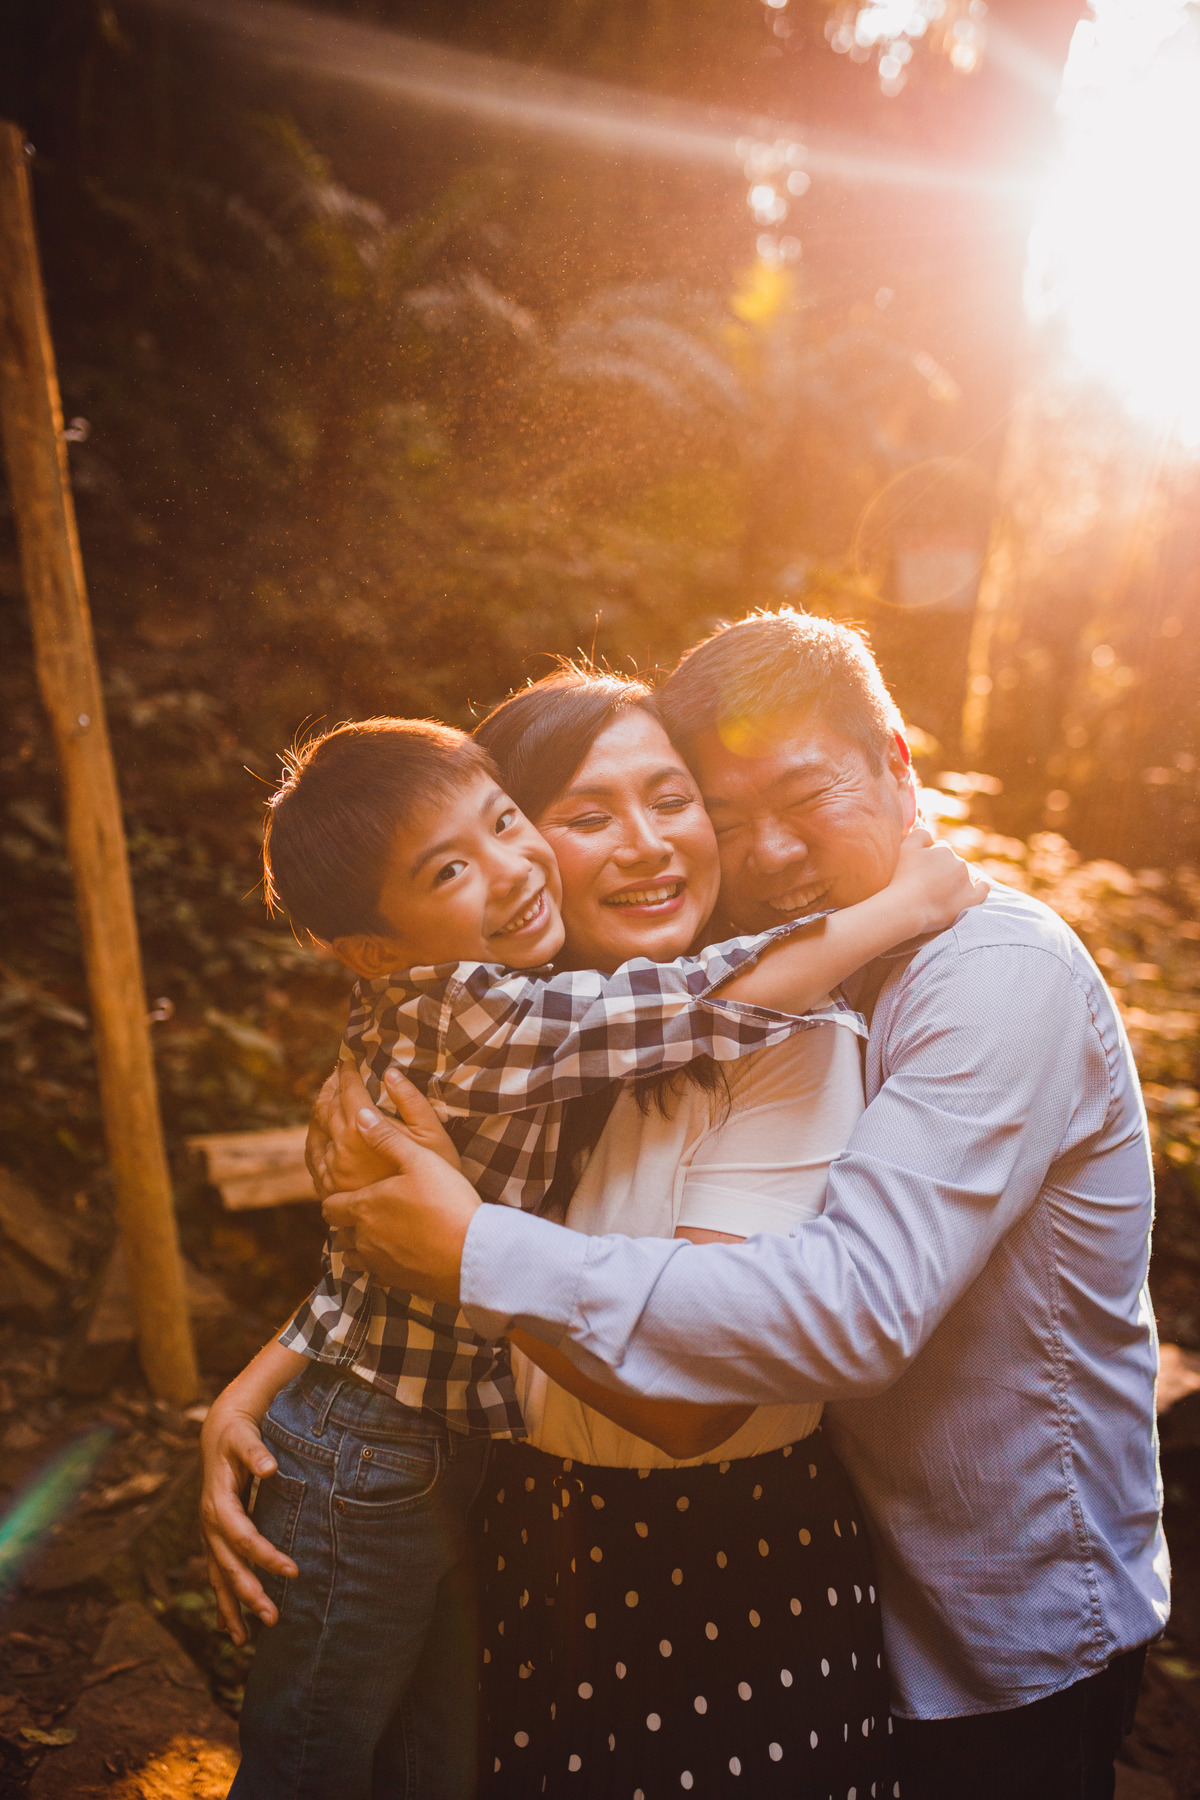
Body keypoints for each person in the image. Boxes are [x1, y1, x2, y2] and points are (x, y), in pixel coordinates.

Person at [319, 612, 1168, 1800]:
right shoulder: (723, 978)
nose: (764, 851)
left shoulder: (989, 977)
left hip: (997, 1629)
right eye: (726, 815)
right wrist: (274, 1373)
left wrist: (471, 1251)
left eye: (806, 795)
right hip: (850, 1593)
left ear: (898, 761)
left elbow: (854, 1311)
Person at [211, 699, 980, 1800]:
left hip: (710, 1576)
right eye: (584, 813)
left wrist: (458, 1256)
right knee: (351, 1755)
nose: (645, 843)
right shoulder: (511, 1019)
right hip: (494, 1511)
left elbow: (689, 1402)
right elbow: (386, 1247)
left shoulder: (775, 1042)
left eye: (673, 801)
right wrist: (267, 1380)